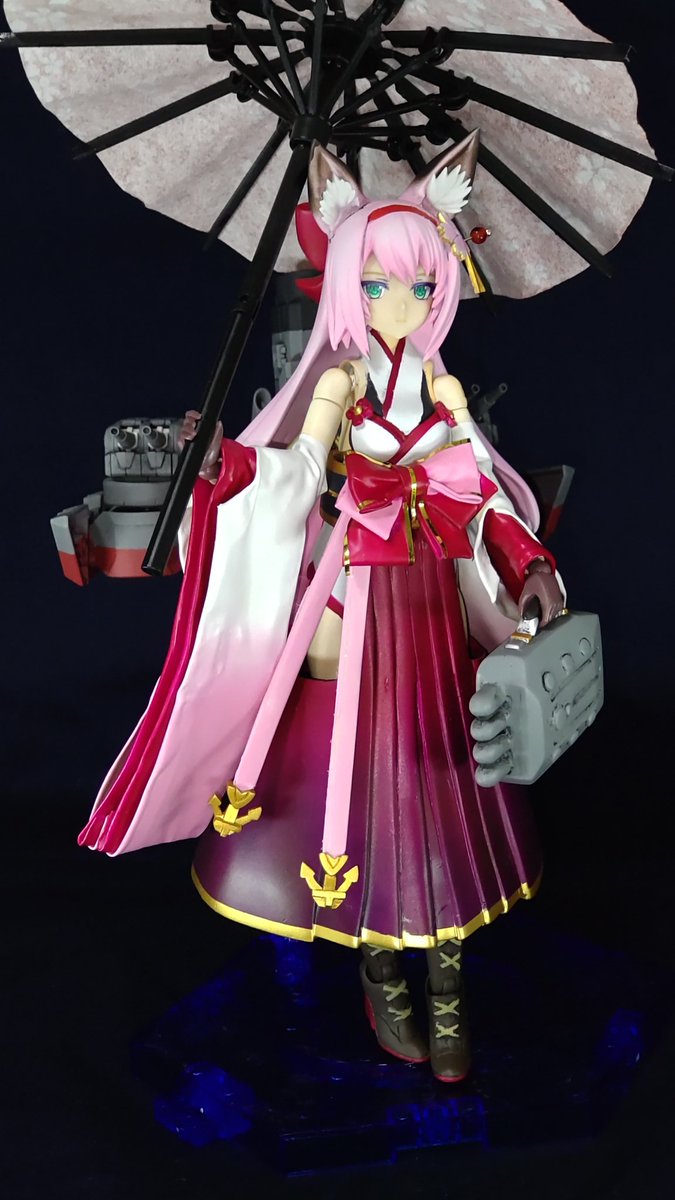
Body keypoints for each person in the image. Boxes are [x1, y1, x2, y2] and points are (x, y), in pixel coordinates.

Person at [80, 132, 565, 1083]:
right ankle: (380, 972)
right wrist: (226, 463)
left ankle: (447, 979)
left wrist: (529, 561)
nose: (401, 303)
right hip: (352, 588)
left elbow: (478, 495)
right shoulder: (340, 382)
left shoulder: (440, 386)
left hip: (430, 598)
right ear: (348, 286)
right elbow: (295, 472)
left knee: (439, 767)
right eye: (378, 284)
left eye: (419, 285)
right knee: (345, 760)